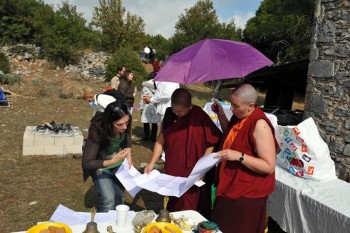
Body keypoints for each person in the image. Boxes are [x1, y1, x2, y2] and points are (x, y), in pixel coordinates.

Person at [209, 84, 277, 233]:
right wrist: (221, 114)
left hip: (247, 194)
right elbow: (233, 136)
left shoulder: (260, 125)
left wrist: (239, 156)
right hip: (230, 184)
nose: (231, 108)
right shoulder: (240, 115)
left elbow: (269, 166)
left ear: (250, 106)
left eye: (235, 105)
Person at [144, 88, 222, 215]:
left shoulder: (199, 115)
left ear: (190, 106)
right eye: (174, 109)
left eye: (180, 111)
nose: (176, 113)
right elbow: (160, 140)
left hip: (193, 170)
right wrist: (152, 163)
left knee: (189, 204)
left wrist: (202, 168)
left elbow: (212, 142)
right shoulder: (169, 114)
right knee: (173, 199)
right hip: (174, 166)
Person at [82, 101, 133, 212]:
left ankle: (116, 225)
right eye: (119, 125)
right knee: (108, 199)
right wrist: (113, 160)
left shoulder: (125, 122)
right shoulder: (98, 131)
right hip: (101, 166)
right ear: (109, 123)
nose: (124, 126)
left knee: (119, 197)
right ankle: (103, 225)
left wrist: (128, 153)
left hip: (118, 166)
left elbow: (128, 134)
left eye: (127, 122)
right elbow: (88, 163)